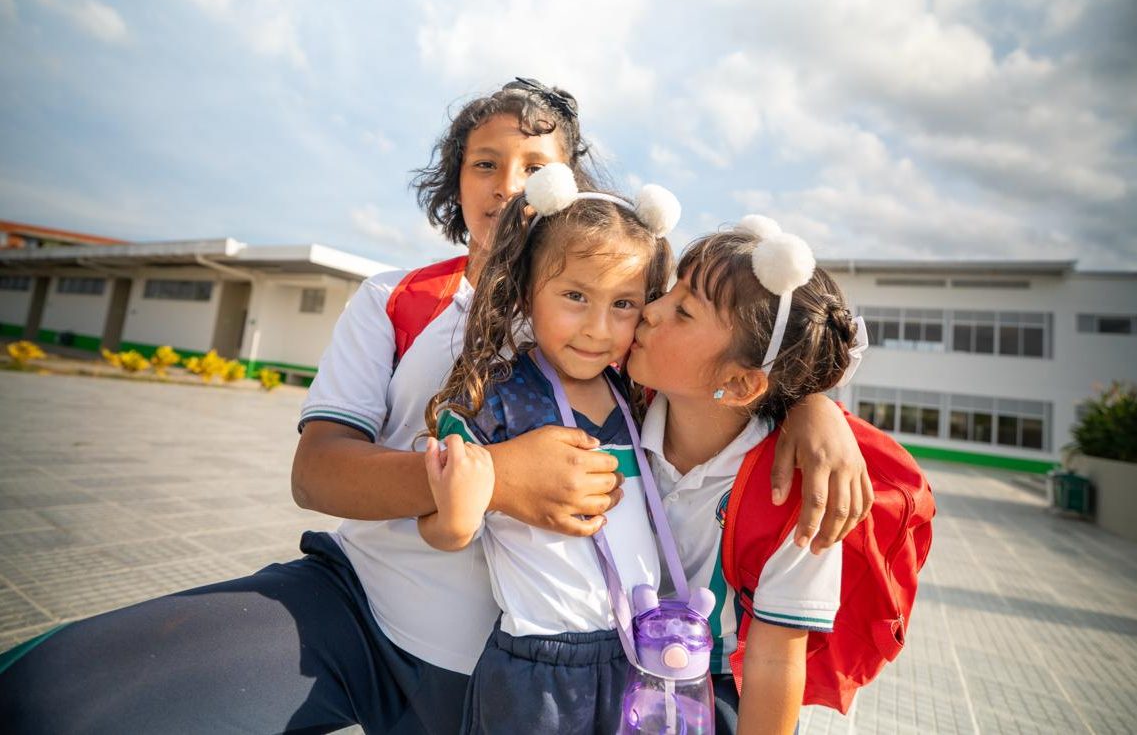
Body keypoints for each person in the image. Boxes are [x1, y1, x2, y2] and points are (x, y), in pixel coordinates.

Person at [0, 80, 869, 734]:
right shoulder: (395, 299)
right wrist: (487, 479)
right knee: (61, 697)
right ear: (454, 182)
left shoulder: (615, 334)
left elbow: (743, 340)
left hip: (528, 686)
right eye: (484, 163)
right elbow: (315, 471)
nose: (508, 182)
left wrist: (812, 405)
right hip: (360, 616)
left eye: (537, 165)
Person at [419, 164, 678, 733]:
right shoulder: (498, 397)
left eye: (624, 305)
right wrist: (458, 519)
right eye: (575, 296)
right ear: (525, 289)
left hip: (640, 656)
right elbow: (439, 528)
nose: (597, 327)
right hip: (538, 670)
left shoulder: (639, 395)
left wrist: (814, 412)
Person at [626, 218, 864, 734]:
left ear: (738, 384)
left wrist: (815, 406)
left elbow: (776, 663)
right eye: (670, 292)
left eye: (683, 311)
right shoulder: (619, 405)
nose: (650, 309)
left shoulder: (797, 494)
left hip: (713, 698)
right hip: (613, 670)